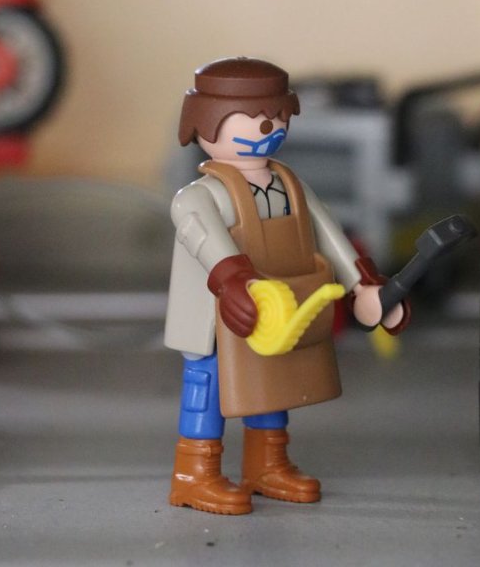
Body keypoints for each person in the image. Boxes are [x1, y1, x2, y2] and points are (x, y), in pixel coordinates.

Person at [164, 56, 409, 515]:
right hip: (214, 317)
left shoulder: (290, 186)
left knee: (272, 382)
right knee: (208, 385)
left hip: (278, 310)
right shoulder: (200, 195)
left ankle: (267, 464)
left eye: (276, 117)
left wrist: (363, 285)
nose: (268, 128)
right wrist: (234, 281)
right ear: (204, 120)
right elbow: (204, 237)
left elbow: (329, 235)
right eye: (252, 118)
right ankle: (194, 475)